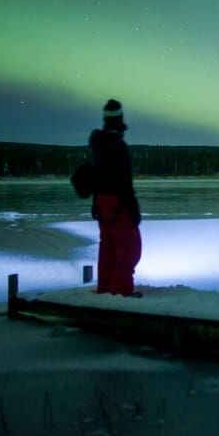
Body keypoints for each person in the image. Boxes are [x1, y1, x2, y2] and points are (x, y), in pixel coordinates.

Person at [89, 99, 142, 296]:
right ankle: (120, 290)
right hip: (118, 202)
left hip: (104, 202)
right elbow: (123, 181)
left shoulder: (100, 146)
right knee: (128, 247)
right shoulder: (117, 146)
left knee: (109, 245)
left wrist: (96, 201)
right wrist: (132, 207)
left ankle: (106, 287)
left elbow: (99, 175)